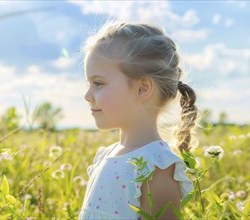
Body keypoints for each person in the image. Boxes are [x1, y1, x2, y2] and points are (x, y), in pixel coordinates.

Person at [79, 20, 199, 219]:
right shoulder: (106, 155)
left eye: (98, 83)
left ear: (142, 88)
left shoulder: (157, 168)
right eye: (89, 83)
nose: (87, 95)